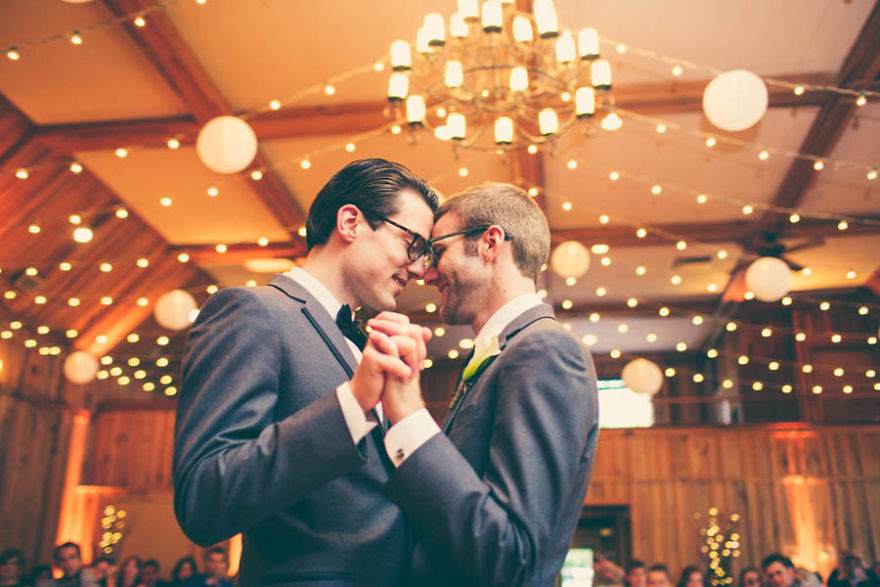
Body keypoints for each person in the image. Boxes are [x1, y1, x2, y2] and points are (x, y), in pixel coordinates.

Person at [173, 158, 439, 586]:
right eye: (413, 244)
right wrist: (351, 404)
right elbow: (204, 501)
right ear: (351, 222)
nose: (420, 268)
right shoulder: (251, 312)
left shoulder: (364, 340)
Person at [369, 182, 599, 585]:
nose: (426, 273)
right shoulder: (505, 354)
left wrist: (409, 417)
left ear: (491, 243)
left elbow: (513, 555)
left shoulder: (545, 349)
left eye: (438, 251)